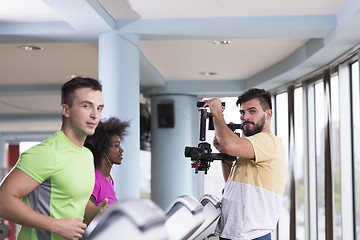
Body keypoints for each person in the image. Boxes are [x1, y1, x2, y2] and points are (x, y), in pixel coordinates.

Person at [0, 77, 108, 240]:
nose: (95, 115)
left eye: (99, 108)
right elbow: (3, 202)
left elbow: (70, 198)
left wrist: (94, 211)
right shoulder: (46, 153)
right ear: (66, 110)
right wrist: (55, 225)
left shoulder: (86, 155)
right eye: (86, 106)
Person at [203, 88, 286, 240]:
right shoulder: (249, 147)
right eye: (242, 112)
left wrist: (217, 115)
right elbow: (231, 182)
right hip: (231, 233)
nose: (245, 117)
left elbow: (229, 144)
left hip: (252, 236)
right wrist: (225, 156)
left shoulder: (268, 141)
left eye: (252, 111)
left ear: (268, 114)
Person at [84, 117, 130, 208]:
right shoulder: (94, 180)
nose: (121, 150)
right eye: (116, 145)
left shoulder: (109, 179)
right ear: (103, 148)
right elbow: (87, 216)